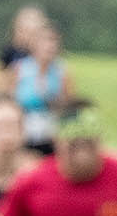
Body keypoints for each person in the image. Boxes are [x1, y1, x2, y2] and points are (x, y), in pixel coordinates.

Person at [10, 22, 71, 156]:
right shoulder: (20, 68)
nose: (50, 46)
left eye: (53, 41)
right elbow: (11, 102)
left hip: (51, 134)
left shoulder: (61, 71)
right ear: (34, 44)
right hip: (25, 133)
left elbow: (69, 106)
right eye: (45, 41)